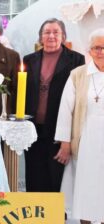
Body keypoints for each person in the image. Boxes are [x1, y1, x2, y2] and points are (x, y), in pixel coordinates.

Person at [55, 28, 104, 224]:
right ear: (89, 50)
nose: (101, 51)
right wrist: (65, 142)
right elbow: (66, 110)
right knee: (84, 190)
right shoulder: (78, 74)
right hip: (85, 141)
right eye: (97, 47)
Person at [23, 18, 85, 192]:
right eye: (47, 32)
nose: (51, 36)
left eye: (55, 32)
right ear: (40, 37)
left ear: (63, 36)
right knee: (34, 174)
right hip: (33, 129)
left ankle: (56, 218)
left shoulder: (77, 60)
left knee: (56, 177)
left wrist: (70, 139)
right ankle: (35, 215)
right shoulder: (28, 59)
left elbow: (79, 101)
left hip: (60, 130)